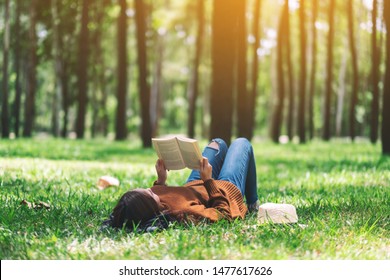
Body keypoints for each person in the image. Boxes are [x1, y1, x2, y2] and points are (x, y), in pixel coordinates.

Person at [104, 138, 259, 232]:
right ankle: (253, 204)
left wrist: (161, 180)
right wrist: (208, 181)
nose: (151, 190)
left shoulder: (153, 203)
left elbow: (162, 194)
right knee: (242, 143)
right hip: (224, 190)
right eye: (150, 193)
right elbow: (223, 215)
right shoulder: (184, 213)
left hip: (195, 184)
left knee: (217, 143)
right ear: (152, 207)